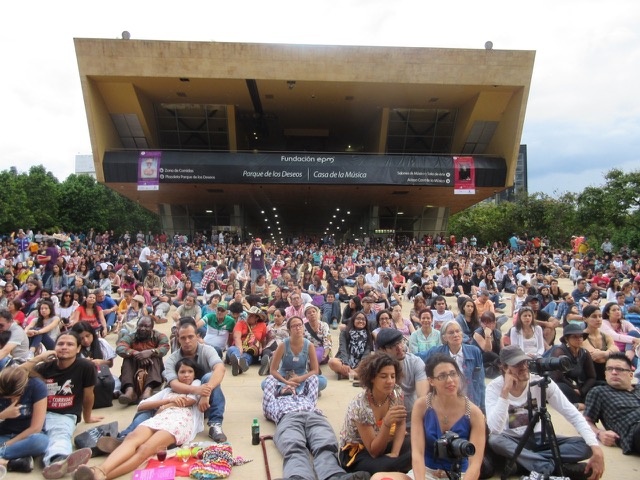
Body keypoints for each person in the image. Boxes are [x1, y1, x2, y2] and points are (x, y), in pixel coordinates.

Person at [73, 358, 204, 480]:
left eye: (190, 371)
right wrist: (167, 401)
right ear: (176, 374)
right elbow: (142, 405)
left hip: (179, 422)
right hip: (159, 418)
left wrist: (165, 406)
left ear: (194, 374)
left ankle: (102, 475)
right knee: (131, 438)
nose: (186, 375)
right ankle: (100, 469)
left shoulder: (197, 385)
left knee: (145, 449)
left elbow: (189, 401)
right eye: (182, 372)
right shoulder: (167, 391)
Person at [486, 345, 604, 479]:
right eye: (517, 364)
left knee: (586, 445)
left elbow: (572, 413)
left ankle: (523, 462)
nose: (523, 367)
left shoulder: (541, 383)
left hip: (539, 439)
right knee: (495, 440)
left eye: (525, 362)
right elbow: (495, 429)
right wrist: (505, 392)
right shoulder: (494, 388)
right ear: (504, 368)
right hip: (512, 440)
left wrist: (596, 448)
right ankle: (551, 468)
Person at [374, 354, 486, 480]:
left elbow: (475, 464)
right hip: (426, 472)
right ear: (431, 381)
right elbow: (418, 453)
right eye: (442, 376)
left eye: (453, 374)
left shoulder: (474, 412)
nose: (450, 380)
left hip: (460, 475)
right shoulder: (422, 406)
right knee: (378, 478)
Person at [262, 374, 370, 480]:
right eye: (285, 386)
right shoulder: (273, 402)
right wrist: (284, 381)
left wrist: (298, 379)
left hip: (314, 417)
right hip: (288, 419)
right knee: (293, 446)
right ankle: (298, 477)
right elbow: (270, 380)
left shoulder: (306, 397)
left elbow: (313, 378)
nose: (289, 386)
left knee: (325, 444)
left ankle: (334, 476)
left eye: (292, 385)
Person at [25, 333, 102, 479]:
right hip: (37, 414)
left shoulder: (85, 367)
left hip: (64, 415)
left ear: (78, 349)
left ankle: (59, 460)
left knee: (60, 434)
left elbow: (88, 395)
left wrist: (87, 417)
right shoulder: (44, 367)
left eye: (70, 344)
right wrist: (38, 358)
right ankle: (23, 460)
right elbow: (15, 374)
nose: (64, 347)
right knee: (33, 438)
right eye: (60, 344)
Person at [339, 353, 412, 474]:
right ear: (372, 378)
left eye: (393, 376)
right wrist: (386, 424)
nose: (390, 381)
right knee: (390, 465)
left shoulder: (396, 392)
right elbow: (374, 452)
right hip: (359, 451)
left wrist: (395, 453)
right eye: (383, 376)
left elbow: (401, 423)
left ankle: (397, 464)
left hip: (384, 441)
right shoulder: (361, 405)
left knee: (416, 442)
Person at [164, 319, 227, 443]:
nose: (187, 341)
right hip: (181, 402)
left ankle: (215, 425)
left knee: (209, 377)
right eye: (183, 338)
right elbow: (174, 384)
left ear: (197, 336)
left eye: (190, 337)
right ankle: (128, 433)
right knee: (147, 408)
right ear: (178, 339)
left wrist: (205, 393)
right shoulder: (172, 359)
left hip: (205, 404)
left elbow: (220, 369)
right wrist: (199, 390)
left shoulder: (207, 350)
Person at [584, 352, 640, 455]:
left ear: (631, 375)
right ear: (605, 374)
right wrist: (599, 433)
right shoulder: (599, 392)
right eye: (609, 369)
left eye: (619, 369)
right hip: (634, 431)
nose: (614, 372)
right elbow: (584, 421)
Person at [423, 320, 486, 412]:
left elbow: (481, 382)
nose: (455, 335)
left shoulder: (474, 352)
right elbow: (418, 358)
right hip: (445, 403)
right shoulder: (436, 352)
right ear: (444, 337)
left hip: (470, 402)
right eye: (451, 332)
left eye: (458, 331)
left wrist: (483, 408)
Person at [0, 366, 49, 473]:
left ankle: (4, 456)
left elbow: (36, 428)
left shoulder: (37, 386)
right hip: (3, 434)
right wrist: (3, 415)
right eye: (8, 397)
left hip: (27, 437)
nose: (13, 399)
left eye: (16, 395)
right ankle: (11, 462)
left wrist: (6, 445)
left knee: (41, 442)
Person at [375, 328, 428, 426]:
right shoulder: (376, 368)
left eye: (400, 342)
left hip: (414, 417)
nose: (399, 348)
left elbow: (422, 397)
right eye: (392, 346)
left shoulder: (415, 362)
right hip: (386, 421)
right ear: (382, 350)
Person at [116, 316, 170, 404]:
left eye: (146, 326)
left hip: (152, 366)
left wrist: (151, 352)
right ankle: (129, 391)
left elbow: (165, 347)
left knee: (155, 357)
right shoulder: (130, 336)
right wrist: (136, 354)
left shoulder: (159, 336)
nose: (142, 329)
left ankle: (148, 390)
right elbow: (120, 348)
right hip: (134, 365)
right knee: (128, 358)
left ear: (152, 327)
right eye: (140, 326)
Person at [268, 315, 326, 394]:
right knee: (265, 383)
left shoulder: (309, 345)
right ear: (289, 330)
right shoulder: (283, 345)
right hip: (284, 378)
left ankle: (287, 390)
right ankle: (298, 390)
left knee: (322, 381)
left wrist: (299, 379)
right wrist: (286, 381)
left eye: (300, 325)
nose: (298, 328)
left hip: (302, 377)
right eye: (294, 326)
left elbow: (315, 370)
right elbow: (273, 370)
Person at [548, 323, 596, 410]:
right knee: (559, 387)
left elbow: (592, 376)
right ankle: (581, 403)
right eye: (574, 337)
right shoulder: (559, 352)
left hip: (579, 386)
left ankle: (580, 403)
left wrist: (582, 391)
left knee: (601, 386)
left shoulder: (584, 353)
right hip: (564, 384)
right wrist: (574, 388)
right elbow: (558, 377)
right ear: (567, 339)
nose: (579, 339)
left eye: (580, 336)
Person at [329, 312, 373, 381]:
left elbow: (367, 352)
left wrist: (360, 366)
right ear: (353, 320)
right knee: (332, 362)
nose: (361, 321)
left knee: (372, 365)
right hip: (345, 361)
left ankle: (345, 374)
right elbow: (342, 349)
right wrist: (346, 363)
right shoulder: (344, 332)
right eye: (358, 319)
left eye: (363, 319)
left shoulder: (369, 335)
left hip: (360, 363)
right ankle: (357, 376)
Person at [582, 304, 619, 383]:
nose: (598, 319)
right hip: (590, 376)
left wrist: (604, 354)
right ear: (585, 319)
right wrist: (609, 353)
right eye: (594, 316)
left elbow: (616, 351)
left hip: (607, 374)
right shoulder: (581, 337)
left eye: (600, 316)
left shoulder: (606, 336)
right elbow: (597, 358)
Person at [227, 305, 268, 375]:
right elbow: (237, 337)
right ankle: (239, 362)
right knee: (232, 349)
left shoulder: (262, 325)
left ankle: (239, 366)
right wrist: (240, 349)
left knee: (248, 355)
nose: (248, 317)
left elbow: (262, 339)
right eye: (248, 314)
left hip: (251, 350)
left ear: (257, 318)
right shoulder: (241, 323)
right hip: (238, 347)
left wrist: (261, 348)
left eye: (251, 316)